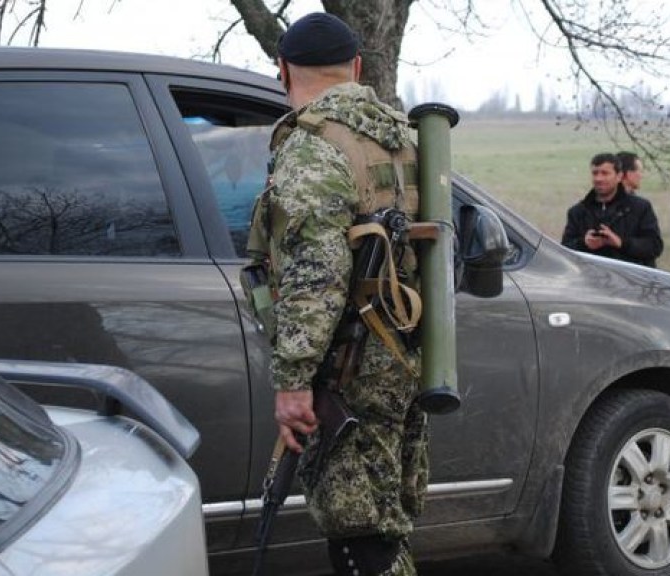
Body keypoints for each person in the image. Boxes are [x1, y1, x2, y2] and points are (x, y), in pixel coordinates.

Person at [247, 12, 427, 576]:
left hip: (347, 369)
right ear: (356, 67)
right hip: (400, 358)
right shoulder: (401, 139)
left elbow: (315, 274)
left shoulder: (313, 145)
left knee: (361, 539)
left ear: (282, 71)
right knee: (384, 530)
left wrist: (294, 382)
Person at [561, 152, 663, 267]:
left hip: (631, 281)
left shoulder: (640, 208)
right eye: (595, 173)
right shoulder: (578, 212)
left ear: (619, 176)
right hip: (591, 281)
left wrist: (621, 243)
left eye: (605, 173)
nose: (599, 178)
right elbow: (564, 251)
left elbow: (654, 247)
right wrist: (584, 243)